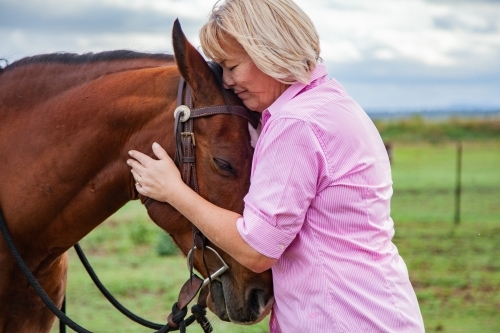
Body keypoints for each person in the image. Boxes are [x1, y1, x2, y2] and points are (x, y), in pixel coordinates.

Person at [127, 0, 425, 332]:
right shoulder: (331, 103)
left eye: (232, 66)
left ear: (268, 50)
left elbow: (257, 249)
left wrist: (173, 191)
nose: (226, 81)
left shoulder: (295, 124)